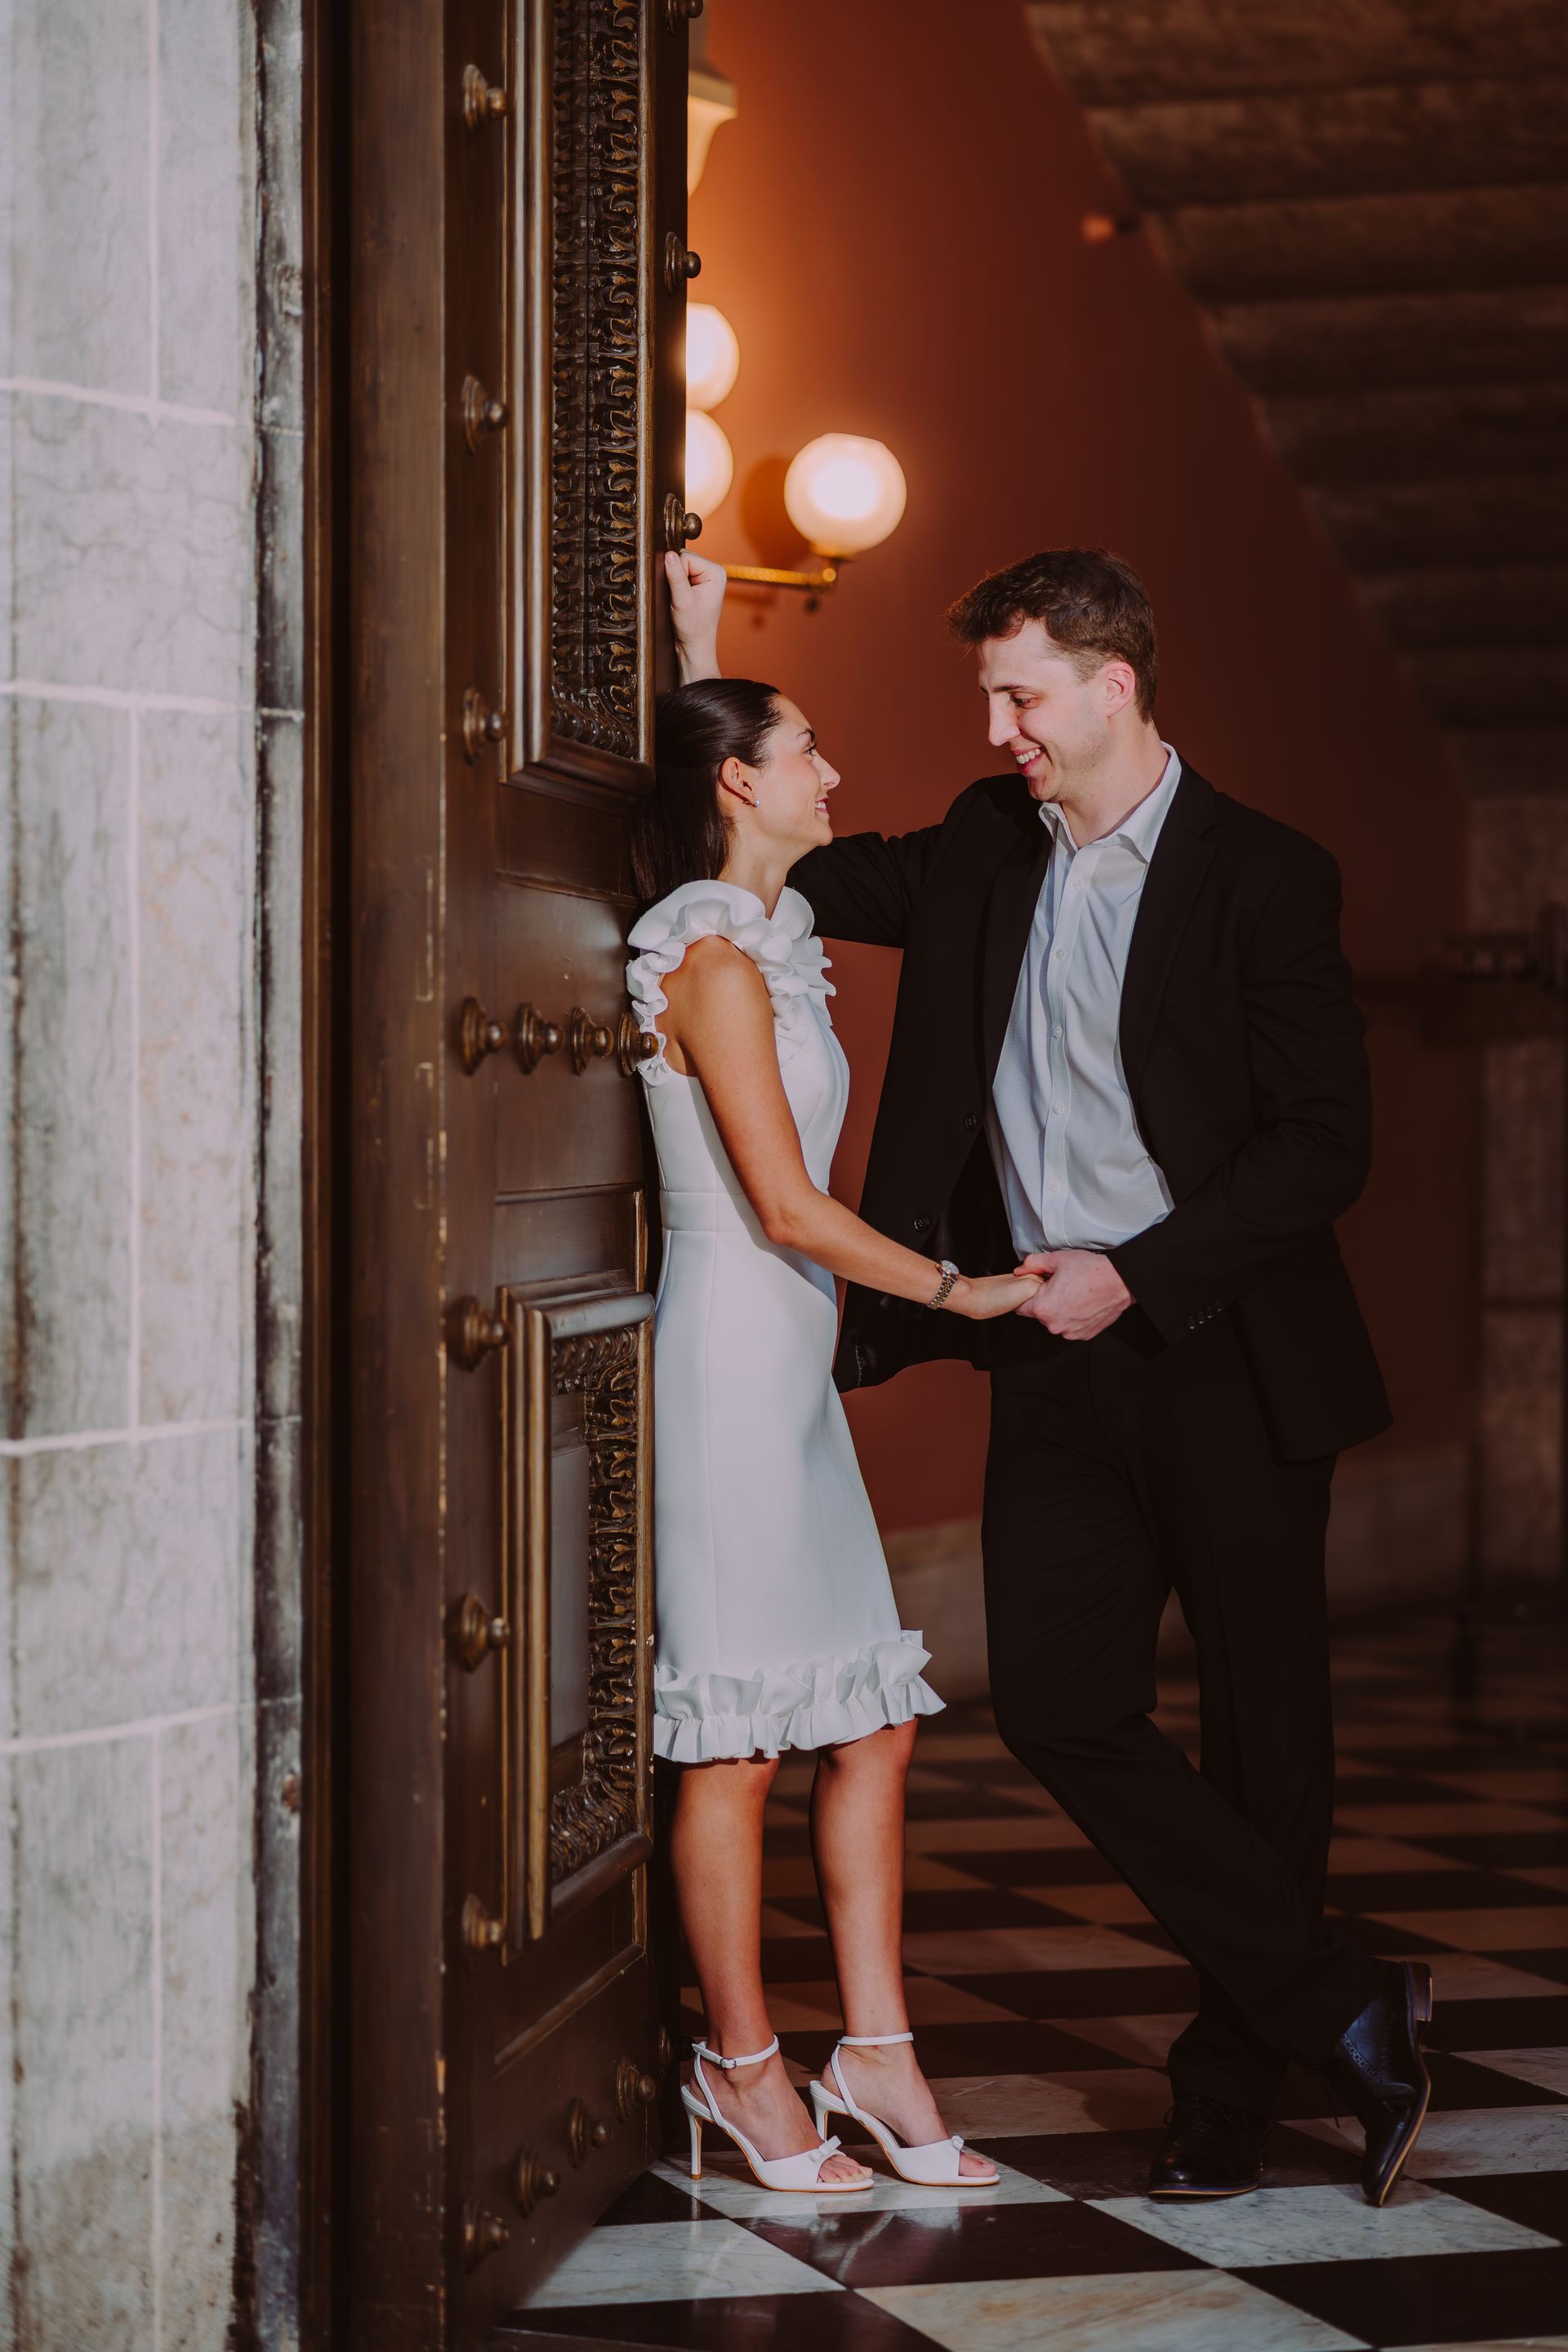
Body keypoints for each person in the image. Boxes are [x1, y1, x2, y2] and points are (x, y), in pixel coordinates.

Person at [665, 544, 1434, 2209]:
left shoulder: (1267, 876)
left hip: (1222, 1353)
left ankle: (1231, 2086)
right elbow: (760, 857)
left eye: (1021, 696)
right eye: (990, 699)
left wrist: (1140, 1274)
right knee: (1068, 1708)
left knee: (1265, 1744)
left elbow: (1326, 1149)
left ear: (1114, 687)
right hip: (1043, 1353)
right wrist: (697, 663)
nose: (1000, 728)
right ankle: (1338, 2004)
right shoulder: (982, 846)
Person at [629, 673, 1040, 2194]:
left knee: (875, 1720)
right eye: (805, 748)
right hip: (733, 1362)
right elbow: (788, 1206)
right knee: (735, 1744)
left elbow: (704, 723)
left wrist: (692, 628)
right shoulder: (711, 966)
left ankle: (873, 2051)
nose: (833, 766)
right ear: (738, 784)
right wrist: (962, 1292)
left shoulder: (767, 941)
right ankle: (739, 2072)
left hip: (789, 1369)